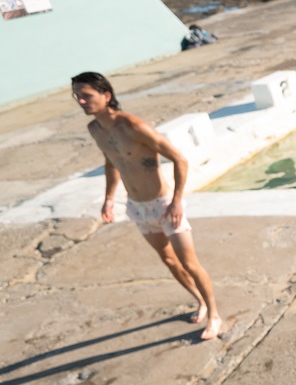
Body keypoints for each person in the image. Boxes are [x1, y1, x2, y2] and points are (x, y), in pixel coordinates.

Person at [71, 71, 222, 340]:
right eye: (77, 96)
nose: (81, 101)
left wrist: (177, 202)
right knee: (168, 261)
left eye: (86, 96)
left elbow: (180, 160)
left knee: (190, 263)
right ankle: (199, 300)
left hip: (164, 205)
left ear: (106, 96)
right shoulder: (94, 129)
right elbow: (111, 162)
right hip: (137, 207)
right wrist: (109, 198)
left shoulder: (134, 126)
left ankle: (214, 314)